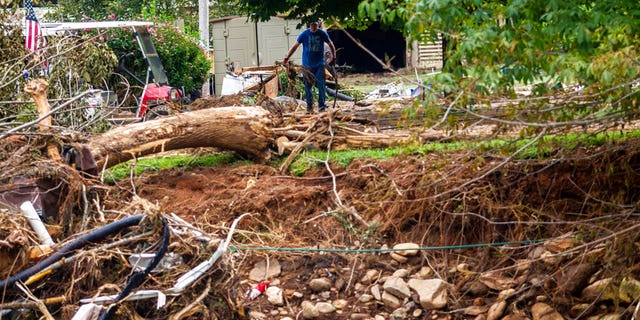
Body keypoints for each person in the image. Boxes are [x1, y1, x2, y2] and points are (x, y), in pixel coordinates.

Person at [284, 20, 336, 113]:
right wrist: (287, 57)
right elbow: (294, 46)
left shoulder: (322, 34)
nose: (314, 27)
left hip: (319, 64)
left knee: (321, 86)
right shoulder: (304, 34)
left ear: (318, 25)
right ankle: (309, 106)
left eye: (315, 25)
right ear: (310, 25)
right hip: (307, 66)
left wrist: (334, 57)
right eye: (312, 25)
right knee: (308, 87)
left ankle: (321, 106)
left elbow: (331, 44)